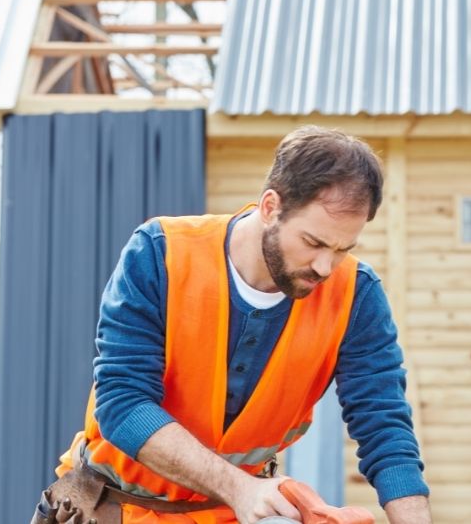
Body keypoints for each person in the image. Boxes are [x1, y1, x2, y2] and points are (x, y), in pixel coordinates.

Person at [36, 126, 430, 524]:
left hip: (232, 514)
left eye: (343, 249)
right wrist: (240, 488)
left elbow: (385, 426)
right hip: (111, 508)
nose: (325, 267)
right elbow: (122, 404)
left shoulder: (355, 296)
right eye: (313, 242)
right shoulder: (160, 253)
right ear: (270, 207)